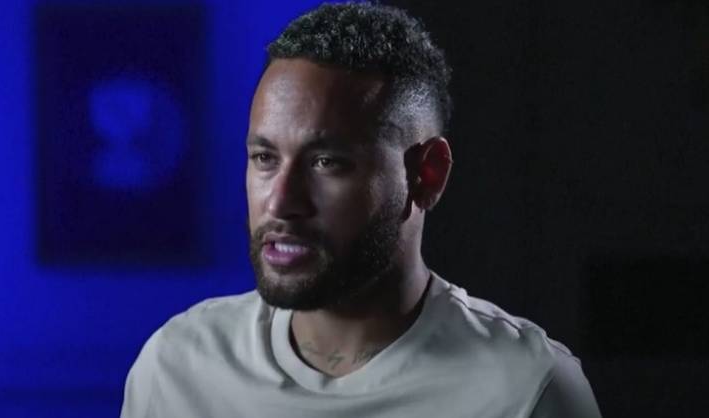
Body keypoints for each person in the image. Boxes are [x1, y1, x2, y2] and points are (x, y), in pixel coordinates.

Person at [121, 3, 601, 417]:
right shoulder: (177, 368)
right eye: (265, 158)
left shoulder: (525, 391)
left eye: (327, 163)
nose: (281, 202)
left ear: (426, 174)